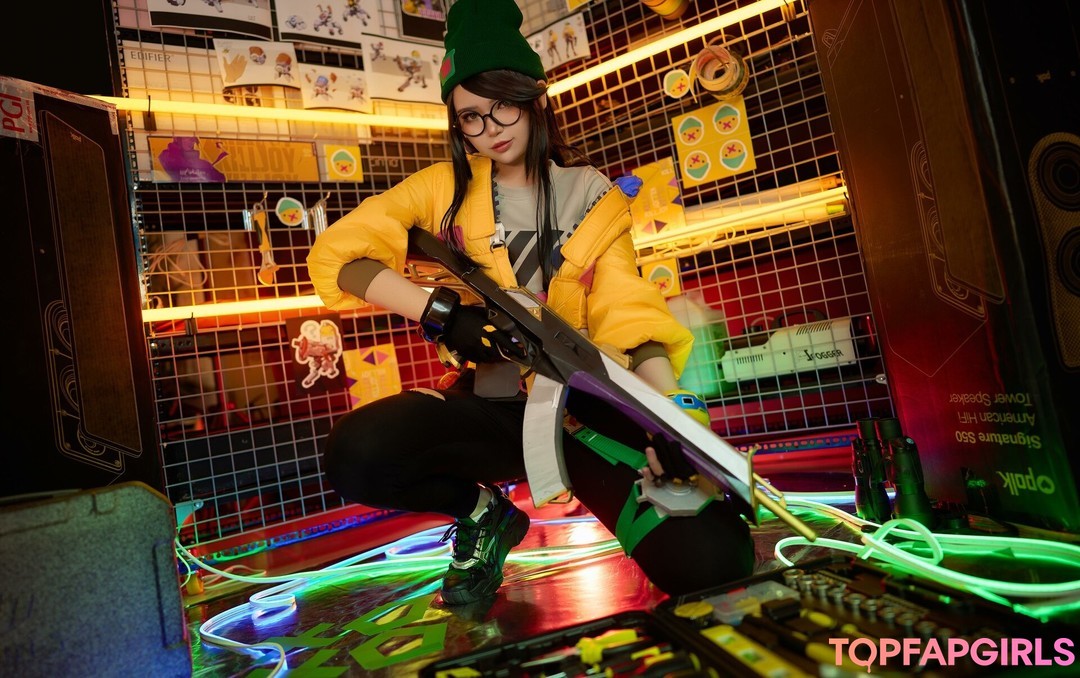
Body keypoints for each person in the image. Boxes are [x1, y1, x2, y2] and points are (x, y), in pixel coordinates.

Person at [306, 0, 755, 606]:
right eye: (471, 117)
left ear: (533, 96)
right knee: (357, 454)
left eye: (503, 105)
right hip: (494, 410)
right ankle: (484, 514)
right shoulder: (441, 188)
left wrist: (670, 416)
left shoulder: (590, 193)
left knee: (712, 561)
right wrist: (442, 315)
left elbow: (629, 310)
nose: (490, 128)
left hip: (585, 410)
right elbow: (339, 253)